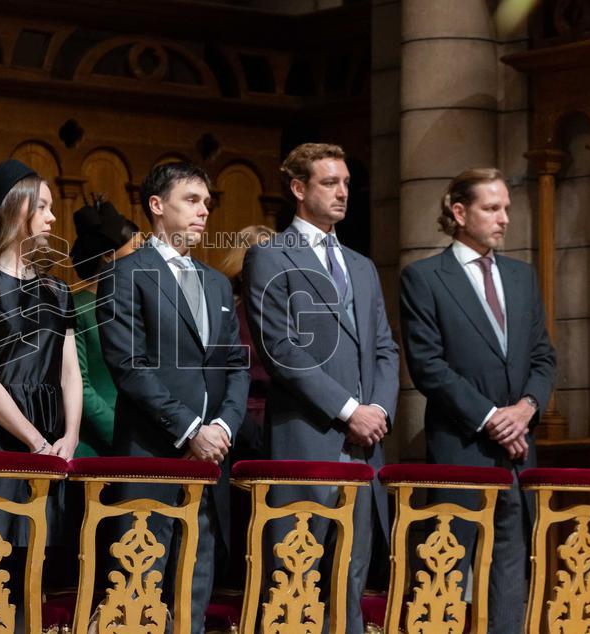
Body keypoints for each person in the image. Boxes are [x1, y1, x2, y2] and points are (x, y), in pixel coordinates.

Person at [241, 143, 399, 634]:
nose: (342, 192)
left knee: (350, 578)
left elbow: (384, 349)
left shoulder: (362, 265)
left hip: (364, 444)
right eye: (330, 182)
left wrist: (377, 410)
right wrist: (349, 409)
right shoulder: (269, 255)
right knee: (298, 581)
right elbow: (281, 349)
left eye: (346, 183)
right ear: (298, 188)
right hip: (307, 438)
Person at [399, 167, 556, 633]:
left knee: (510, 572)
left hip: (519, 452)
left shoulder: (522, 277)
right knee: (447, 573)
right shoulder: (424, 277)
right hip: (461, 449)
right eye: (492, 208)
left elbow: (544, 357)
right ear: (459, 211)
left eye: (506, 207)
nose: (504, 218)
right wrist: (492, 419)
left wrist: (527, 409)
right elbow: (428, 367)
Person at [96, 162, 249, 634]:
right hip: (151, 451)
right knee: (140, 587)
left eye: (207, 202)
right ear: (157, 207)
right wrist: (189, 430)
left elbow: (234, 366)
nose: (204, 211)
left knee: (197, 578)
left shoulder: (217, 283)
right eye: (192, 200)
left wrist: (222, 427)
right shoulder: (126, 274)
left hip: (210, 458)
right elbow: (128, 365)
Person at [0, 160, 82, 599]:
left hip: (48, 442)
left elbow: (69, 371)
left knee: (36, 574)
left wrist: (69, 437)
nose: (52, 216)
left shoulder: (57, 290)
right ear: (15, 211)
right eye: (42, 207)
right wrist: (35, 443)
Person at [69, 197, 140, 457]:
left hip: (142, 441)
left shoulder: (136, 308)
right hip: (97, 444)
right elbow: (80, 384)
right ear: (110, 257)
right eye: (136, 250)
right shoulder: (78, 308)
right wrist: (119, 436)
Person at [216, 224, 275, 462]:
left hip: (285, 423)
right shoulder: (228, 314)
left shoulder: (291, 315)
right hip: (239, 425)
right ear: (242, 269)